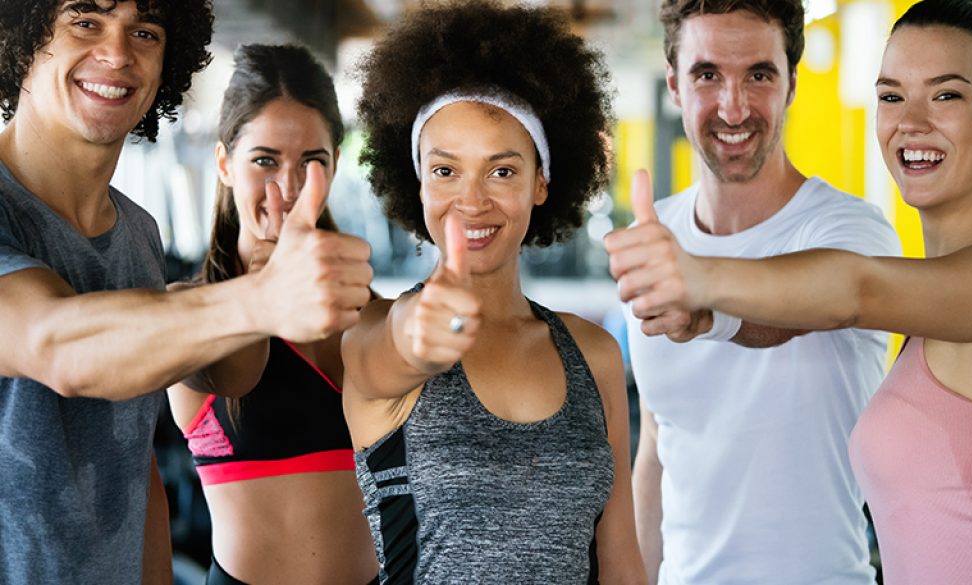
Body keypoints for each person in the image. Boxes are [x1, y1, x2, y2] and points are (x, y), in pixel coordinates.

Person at [610, 0, 972, 583]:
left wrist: (702, 294)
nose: (912, 120)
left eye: (946, 94)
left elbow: (849, 292)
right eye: (890, 96)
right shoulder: (943, 299)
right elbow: (659, 445)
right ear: (674, 83)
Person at [0, 2, 372, 584]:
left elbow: (134, 469)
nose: (118, 53)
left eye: (143, 32)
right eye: (86, 21)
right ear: (21, 37)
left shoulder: (138, 234)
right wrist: (264, 297)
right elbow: (56, 345)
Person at [343, 1, 646, 582]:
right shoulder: (379, 332)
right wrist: (420, 338)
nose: (473, 201)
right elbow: (393, 357)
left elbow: (621, 562)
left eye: (502, 170)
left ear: (542, 182)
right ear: (417, 183)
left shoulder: (593, 355)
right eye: (445, 170)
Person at [605, 1, 903, 584]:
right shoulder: (654, 239)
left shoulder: (852, 232)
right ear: (674, 83)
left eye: (759, 75)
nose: (733, 106)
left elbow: (816, 304)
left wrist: (706, 309)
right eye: (708, 74)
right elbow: (661, 452)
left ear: (792, 82)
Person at [166, 44, 378, 585]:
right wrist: (267, 281)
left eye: (313, 162)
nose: (287, 190)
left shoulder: (373, 313)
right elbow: (235, 364)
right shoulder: (190, 312)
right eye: (264, 160)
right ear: (224, 164)